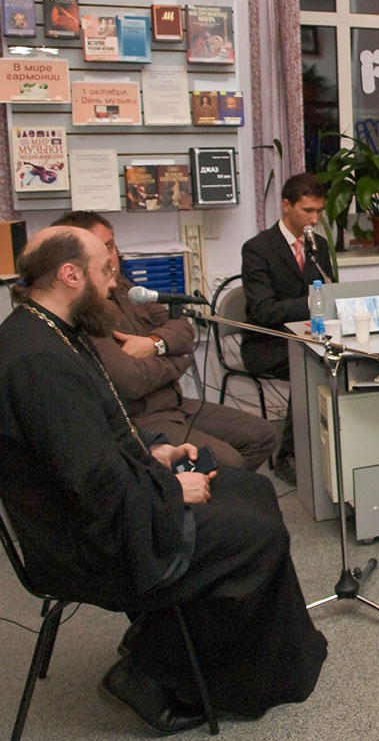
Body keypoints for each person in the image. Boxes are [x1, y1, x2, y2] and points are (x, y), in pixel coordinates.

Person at [0, 227, 326, 733]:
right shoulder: (38, 361)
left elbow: (98, 434)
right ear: (69, 275)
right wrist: (171, 489)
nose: (113, 284)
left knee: (253, 489)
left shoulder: (51, 331)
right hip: (90, 540)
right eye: (105, 272)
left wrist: (155, 450)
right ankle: (152, 669)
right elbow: (90, 483)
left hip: (108, 502)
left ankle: (207, 655)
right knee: (256, 538)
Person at [52, 211, 277, 471]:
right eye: (100, 250)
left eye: (111, 247)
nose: (110, 258)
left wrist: (154, 344)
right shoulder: (83, 310)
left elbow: (182, 327)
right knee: (227, 461)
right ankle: (186, 490)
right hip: (142, 419)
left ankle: (203, 486)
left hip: (177, 404)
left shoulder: (124, 288)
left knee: (262, 435)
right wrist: (176, 359)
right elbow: (131, 381)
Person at [241, 172, 335, 484]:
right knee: (309, 364)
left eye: (319, 211)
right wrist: (310, 303)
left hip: (308, 336)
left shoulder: (318, 246)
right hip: (267, 344)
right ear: (286, 205)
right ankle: (289, 455)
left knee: (335, 359)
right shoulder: (257, 248)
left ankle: (332, 446)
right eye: (308, 210)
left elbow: (329, 292)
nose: (315, 219)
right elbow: (263, 310)